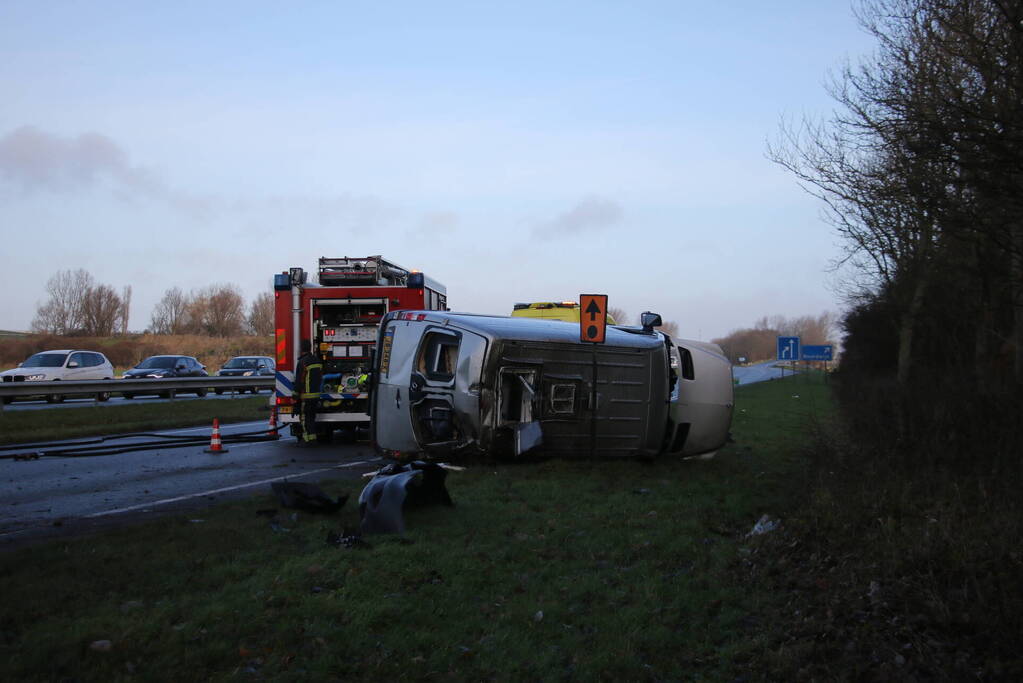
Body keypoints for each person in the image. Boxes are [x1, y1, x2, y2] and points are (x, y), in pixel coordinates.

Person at [294, 339, 322, 444]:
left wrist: (295, 395)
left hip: (306, 396)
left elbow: (299, 380)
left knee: (305, 419)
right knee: (311, 418)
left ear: (301, 349)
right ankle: (313, 438)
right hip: (316, 396)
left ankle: (308, 439)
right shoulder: (317, 360)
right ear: (310, 347)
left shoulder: (302, 362)